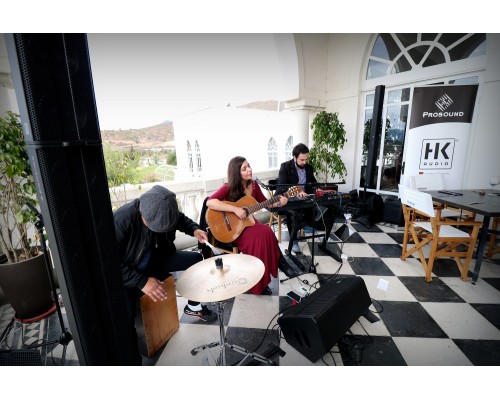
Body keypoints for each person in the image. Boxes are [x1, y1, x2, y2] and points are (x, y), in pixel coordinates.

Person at [114, 185, 217, 359]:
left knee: (195, 261)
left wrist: (194, 229)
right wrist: (142, 281)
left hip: (157, 258)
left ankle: (194, 307)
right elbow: (108, 262)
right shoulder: (121, 220)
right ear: (142, 213)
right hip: (128, 272)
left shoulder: (166, 208)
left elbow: (181, 220)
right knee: (126, 317)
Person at [206, 156, 301, 295]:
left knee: (266, 231)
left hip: (250, 223)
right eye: (244, 169)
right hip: (235, 230)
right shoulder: (228, 187)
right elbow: (210, 202)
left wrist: (281, 201)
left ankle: (271, 272)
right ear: (236, 172)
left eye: (249, 166)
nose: (249, 170)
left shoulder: (254, 186)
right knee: (263, 234)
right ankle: (273, 272)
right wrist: (235, 209)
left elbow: (266, 203)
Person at [277, 143, 331, 253]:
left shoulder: (308, 168)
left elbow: (313, 183)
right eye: (302, 160)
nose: (304, 162)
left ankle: (307, 227)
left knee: (320, 207)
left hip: (305, 197)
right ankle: (294, 240)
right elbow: (282, 186)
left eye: (306, 159)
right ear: (295, 157)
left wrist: (319, 190)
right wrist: (297, 191)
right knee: (293, 214)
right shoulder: (285, 167)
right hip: (288, 197)